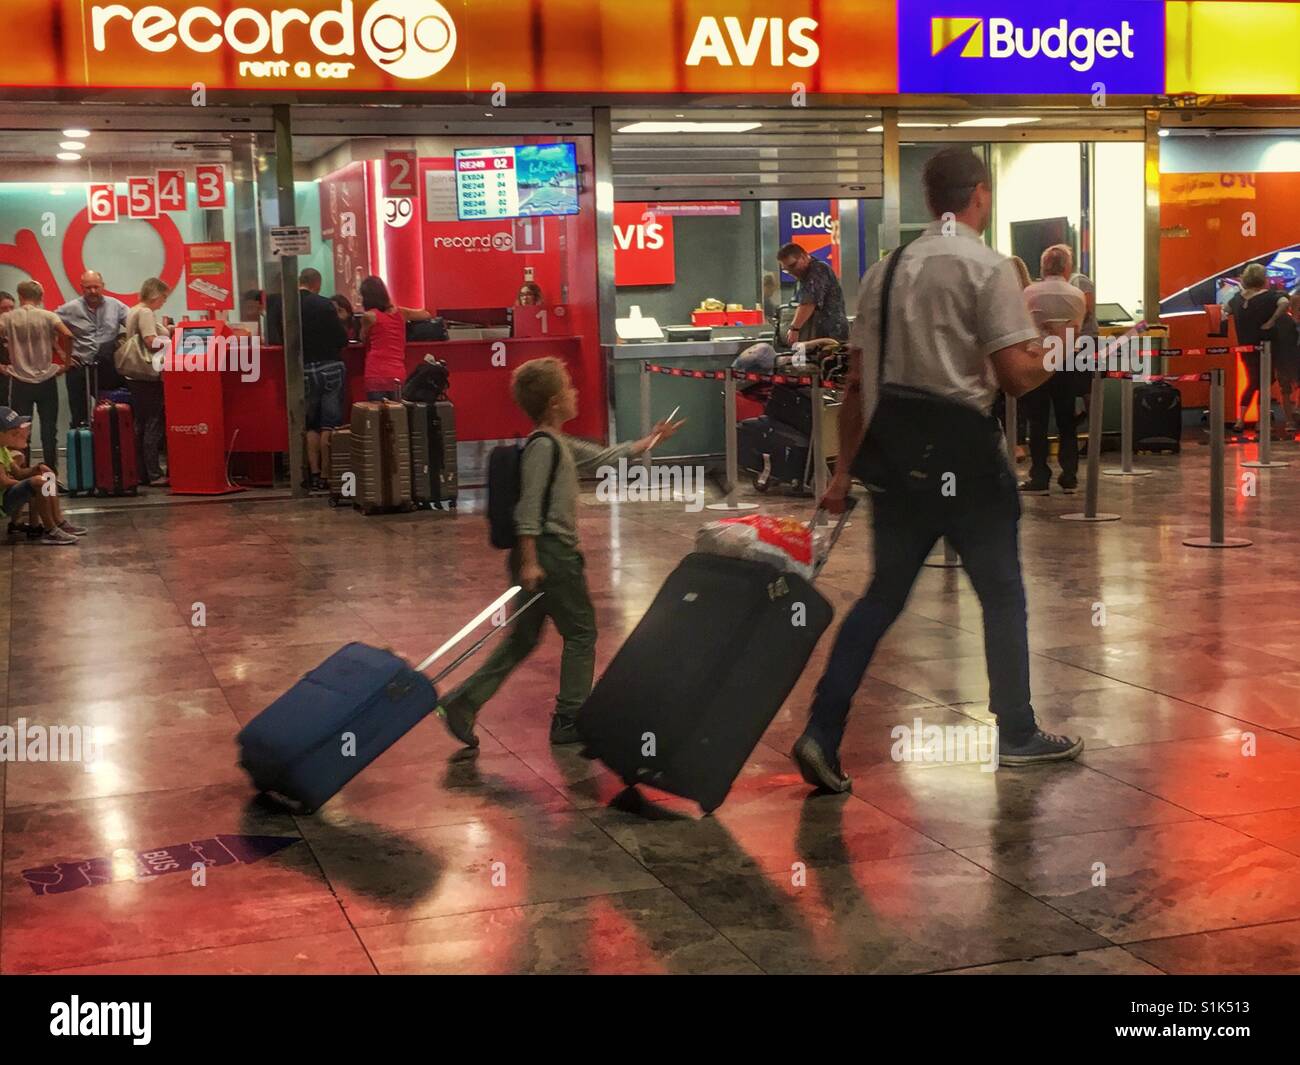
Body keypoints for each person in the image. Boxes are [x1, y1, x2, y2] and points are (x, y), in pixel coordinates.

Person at [790, 146, 1082, 795]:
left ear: (930, 200)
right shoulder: (987, 267)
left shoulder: (886, 269)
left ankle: (821, 729)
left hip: (897, 454)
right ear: (978, 194)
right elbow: (1014, 377)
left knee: (881, 596)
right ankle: (1017, 730)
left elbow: (858, 386)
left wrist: (840, 476)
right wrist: (1055, 351)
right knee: (1001, 592)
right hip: (967, 453)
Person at [436, 357, 683, 748]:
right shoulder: (543, 449)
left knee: (523, 638)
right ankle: (569, 717)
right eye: (569, 387)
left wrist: (651, 440)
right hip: (551, 555)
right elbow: (529, 508)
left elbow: (604, 456)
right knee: (582, 632)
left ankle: (463, 702)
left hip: (542, 555)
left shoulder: (557, 443)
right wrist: (531, 560)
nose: (575, 392)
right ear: (553, 402)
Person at [1020, 244, 1086, 495]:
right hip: (1067, 362)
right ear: (1067, 267)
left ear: (1043, 266)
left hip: (1038, 359)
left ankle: (1039, 475)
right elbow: (1076, 328)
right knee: (1066, 421)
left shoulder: (1029, 293)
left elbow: (1024, 326)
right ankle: (1069, 475)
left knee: (1037, 421)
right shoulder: (1076, 295)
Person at [0, 280, 74, 479]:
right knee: (49, 430)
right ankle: (51, 476)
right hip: (46, 379)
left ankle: (22, 476)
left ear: (20, 295)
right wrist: (66, 364)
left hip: (20, 380)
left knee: (20, 432)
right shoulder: (49, 316)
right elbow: (68, 335)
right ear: (40, 296)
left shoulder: (8, 318)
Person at [0, 406, 85, 545]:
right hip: (2, 502)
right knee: (38, 483)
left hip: (7, 495)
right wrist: (29, 482)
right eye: (13, 433)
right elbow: (3, 481)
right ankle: (50, 530)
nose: (18, 435)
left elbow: (18, 472)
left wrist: (37, 469)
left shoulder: (3, 449)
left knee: (47, 476)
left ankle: (58, 521)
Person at [297, 268, 350, 492]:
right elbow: (341, 338)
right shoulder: (324, 304)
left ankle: (314, 474)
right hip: (330, 366)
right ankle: (329, 475)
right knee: (330, 424)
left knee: (311, 425)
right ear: (316, 283)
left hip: (305, 368)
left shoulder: (287, 304)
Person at [57, 270, 129, 425]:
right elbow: (46, 326)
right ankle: (83, 446)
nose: (93, 291)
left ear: (103, 286)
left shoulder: (116, 306)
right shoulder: (70, 308)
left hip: (108, 370)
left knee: (112, 413)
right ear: (81, 288)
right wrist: (62, 355)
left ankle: (110, 447)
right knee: (79, 416)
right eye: (88, 288)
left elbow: (133, 326)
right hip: (79, 367)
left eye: (96, 287)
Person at [123, 278, 172, 487]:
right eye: (163, 297)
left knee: (140, 425)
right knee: (153, 423)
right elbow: (150, 341)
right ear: (155, 294)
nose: (163, 302)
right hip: (148, 375)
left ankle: (141, 472)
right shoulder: (145, 312)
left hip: (135, 377)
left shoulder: (133, 310)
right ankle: (153, 473)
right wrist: (173, 342)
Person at [1227, 263, 1285, 434]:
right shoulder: (1270, 297)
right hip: (1267, 344)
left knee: (1253, 380)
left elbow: (1225, 310)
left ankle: (1241, 419)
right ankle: (1260, 420)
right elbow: (1284, 303)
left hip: (1245, 346)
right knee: (1264, 382)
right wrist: (1272, 320)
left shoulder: (1237, 298)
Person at [357, 275, 432, 400]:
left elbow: (363, 338)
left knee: (376, 417)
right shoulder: (401, 313)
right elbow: (426, 314)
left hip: (375, 372)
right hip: (397, 372)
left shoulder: (369, 316)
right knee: (397, 416)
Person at [777, 242, 849, 346]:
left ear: (803, 256)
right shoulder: (803, 276)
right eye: (786, 270)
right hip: (816, 332)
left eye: (793, 266)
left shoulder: (817, 270)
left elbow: (809, 302)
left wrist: (794, 328)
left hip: (830, 333)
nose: (791, 272)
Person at [1263, 290, 1300, 433]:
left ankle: (1290, 421)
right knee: (1292, 387)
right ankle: (1295, 411)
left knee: (1285, 390)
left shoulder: (1275, 321)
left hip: (1280, 359)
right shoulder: (1289, 322)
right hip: (1291, 357)